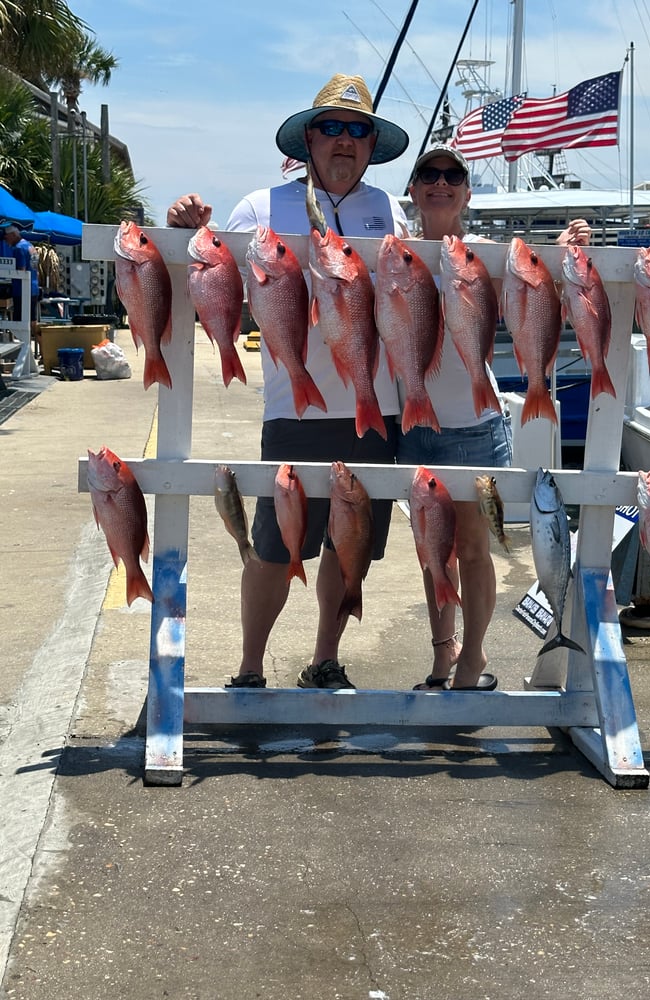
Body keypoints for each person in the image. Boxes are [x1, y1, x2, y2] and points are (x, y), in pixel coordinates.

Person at [167, 74, 410, 690]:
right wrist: (181, 223)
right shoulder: (259, 207)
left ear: (372, 142)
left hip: (372, 405)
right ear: (309, 138)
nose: (345, 141)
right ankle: (249, 668)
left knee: (344, 543)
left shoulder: (389, 210)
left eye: (359, 130)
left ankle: (325, 658)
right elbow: (204, 273)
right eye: (332, 127)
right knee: (275, 547)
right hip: (291, 408)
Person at [402, 144, 590, 692]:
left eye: (452, 175)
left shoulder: (488, 254)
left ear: (466, 190)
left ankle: (473, 657)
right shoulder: (390, 248)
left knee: (474, 549)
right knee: (431, 550)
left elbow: (535, 295)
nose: (441, 183)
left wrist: (562, 253)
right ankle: (444, 652)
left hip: (476, 425)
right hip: (413, 428)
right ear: (413, 189)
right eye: (429, 175)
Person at [3, 225, 38, 328]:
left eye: (7, 238)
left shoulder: (18, 248)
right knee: (32, 319)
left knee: (19, 320)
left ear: (13, 235)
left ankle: (22, 342)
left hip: (22, 290)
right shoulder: (31, 246)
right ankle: (39, 341)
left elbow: (21, 271)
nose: (6, 241)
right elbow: (36, 268)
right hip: (34, 287)